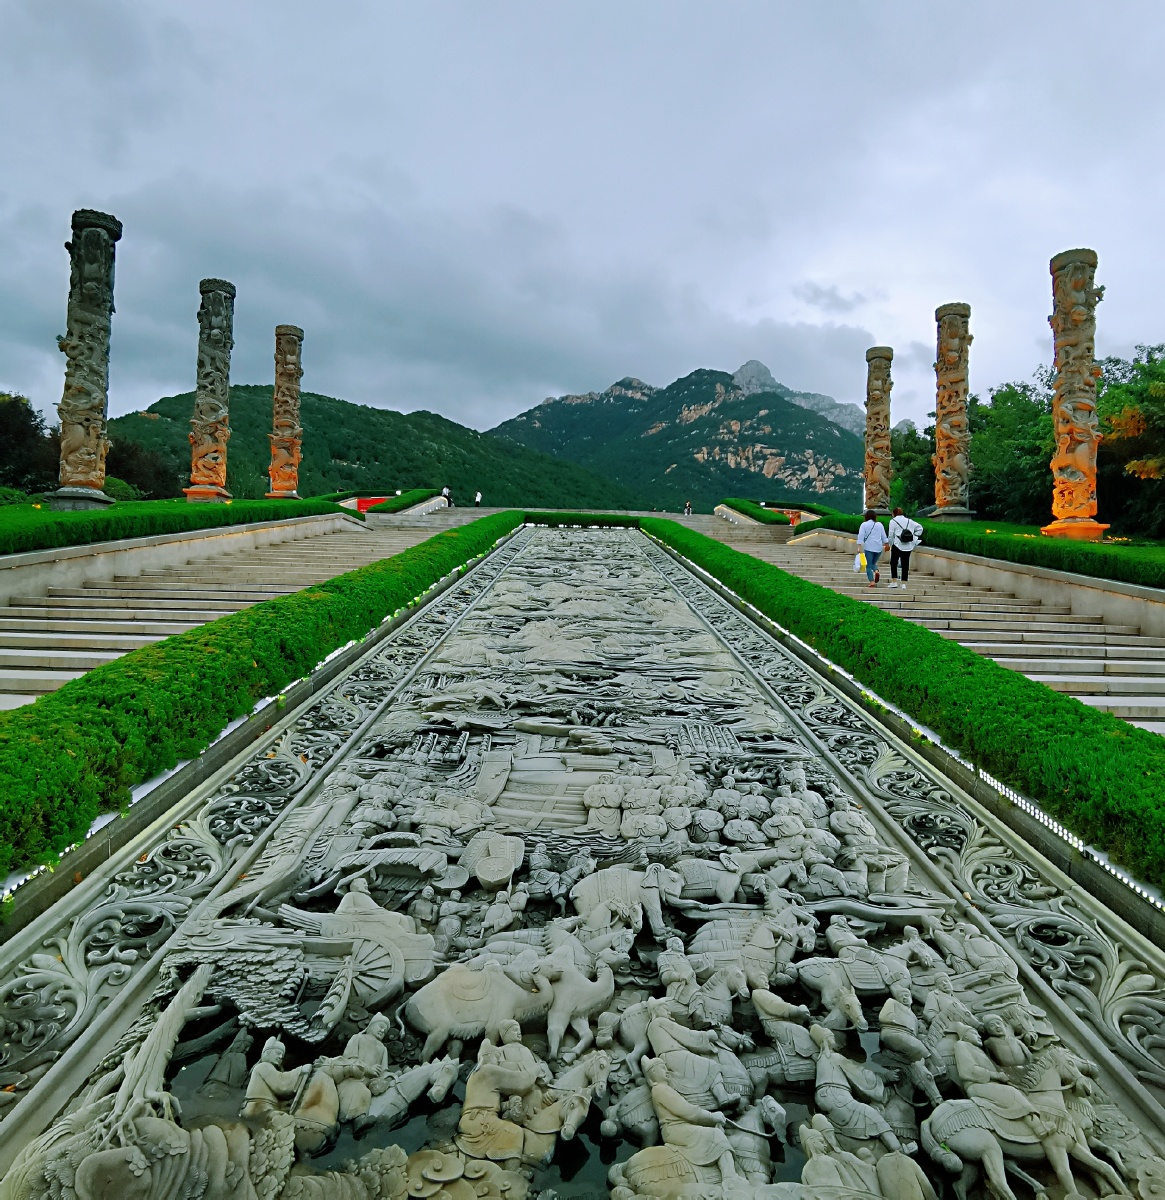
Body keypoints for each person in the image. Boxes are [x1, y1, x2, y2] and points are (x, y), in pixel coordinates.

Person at [887, 507, 922, 590]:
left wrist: (890, 544)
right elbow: (920, 528)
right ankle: (903, 583)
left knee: (893, 562)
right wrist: (914, 536)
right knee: (905, 564)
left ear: (894, 513)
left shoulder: (893, 521)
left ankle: (894, 581)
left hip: (897, 544)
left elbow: (891, 534)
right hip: (908, 545)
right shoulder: (909, 521)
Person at [855, 509, 889, 588]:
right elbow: (884, 536)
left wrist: (859, 547)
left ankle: (872, 581)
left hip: (869, 547)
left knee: (868, 566)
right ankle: (876, 571)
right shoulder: (879, 524)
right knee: (873, 563)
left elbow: (861, 536)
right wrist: (886, 544)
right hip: (878, 548)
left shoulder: (864, 524)